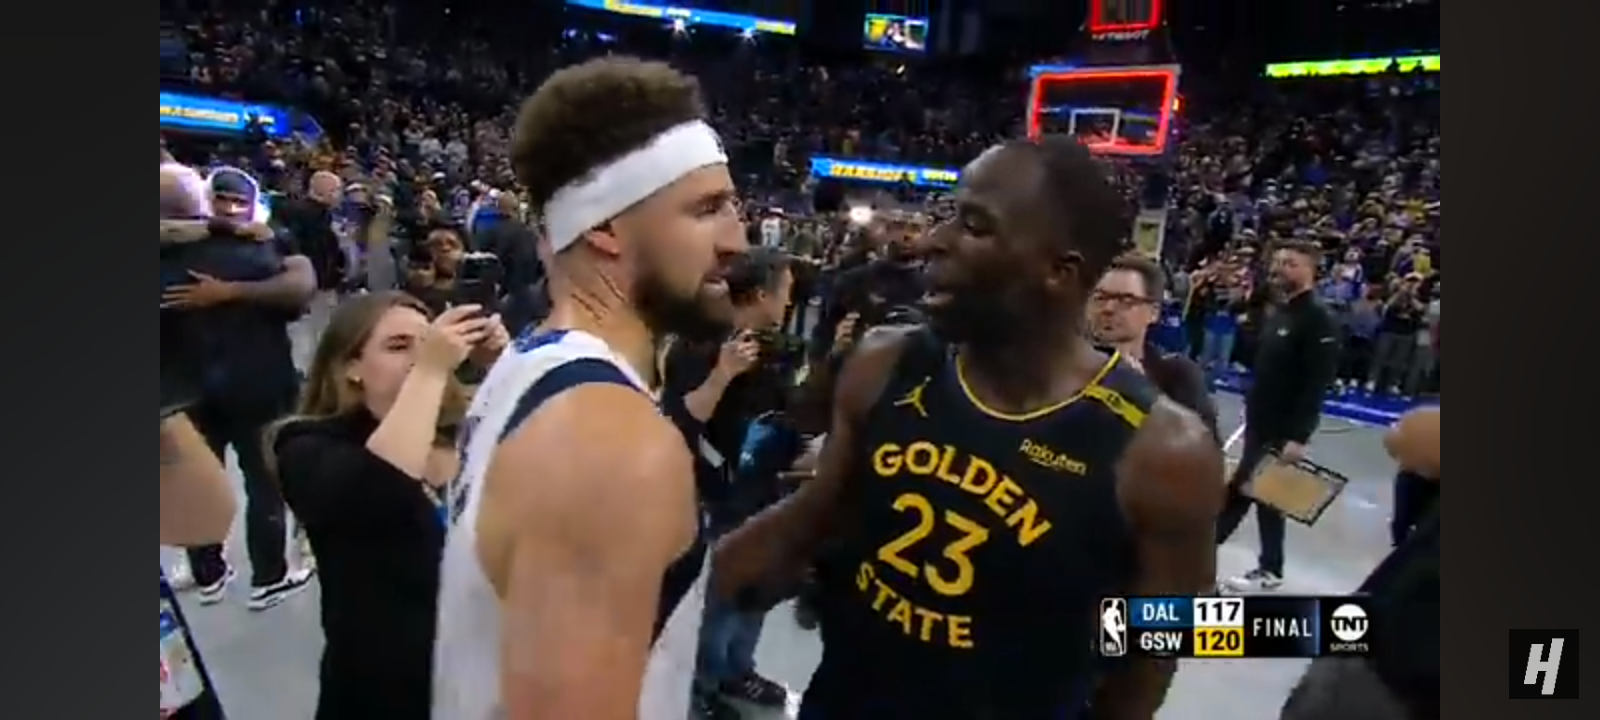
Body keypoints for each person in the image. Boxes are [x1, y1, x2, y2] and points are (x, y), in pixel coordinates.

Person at [715, 136, 1223, 719]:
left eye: (975, 226)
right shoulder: (888, 360)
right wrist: (662, 597)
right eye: (949, 215)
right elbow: (818, 510)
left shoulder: (1165, 452)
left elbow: (1153, 654)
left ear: (1059, 272)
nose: (935, 240)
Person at [431, 57, 747, 720]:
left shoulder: (527, 364)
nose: (736, 241)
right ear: (605, 228)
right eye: (707, 209)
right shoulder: (610, 442)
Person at [273, 293, 506, 720]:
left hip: (486, 679)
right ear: (351, 367)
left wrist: (503, 366)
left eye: (429, 341)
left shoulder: (468, 431)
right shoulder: (308, 447)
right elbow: (382, 490)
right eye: (399, 346)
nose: (420, 356)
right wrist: (431, 369)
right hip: (388, 692)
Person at [160, 165, 319, 608]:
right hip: (257, 382)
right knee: (263, 481)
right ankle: (268, 577)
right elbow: (300, 287)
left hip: (184, 390)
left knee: (197, 478)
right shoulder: (255, 250)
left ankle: (208, 572)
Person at [660, 246, 797, 719]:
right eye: (785, 294)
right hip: (712, 492)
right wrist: (724, 374)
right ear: (761, 293)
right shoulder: (699, 344)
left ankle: (739, 669)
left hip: (761, 485)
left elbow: (782, 411)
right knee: (715, 593)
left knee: (756, 585)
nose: (788, 305)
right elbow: (678, 423)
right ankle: (702, 683)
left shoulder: (773, 345)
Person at [1217, 240, 1339, 593]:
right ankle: (1272, 568)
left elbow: (1316, 382)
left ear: (1309, 270)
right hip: (1259, 421)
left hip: (1281, 428)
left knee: (1241, 493)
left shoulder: (1318, 319)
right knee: (1266, 497)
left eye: (1289, 263)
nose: (1279, 268)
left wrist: (1299, 436)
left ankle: (1198, 558)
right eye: (1277, 262)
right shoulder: (1280, 312)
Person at [1090, 253, 1218, 438]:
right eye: (1101, 298)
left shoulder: (1176, 376)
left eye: (1126, 301)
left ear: (1154, 313)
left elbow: (1207, 453)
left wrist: (1144, 395)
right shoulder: (1062, 367)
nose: (1108, 308)